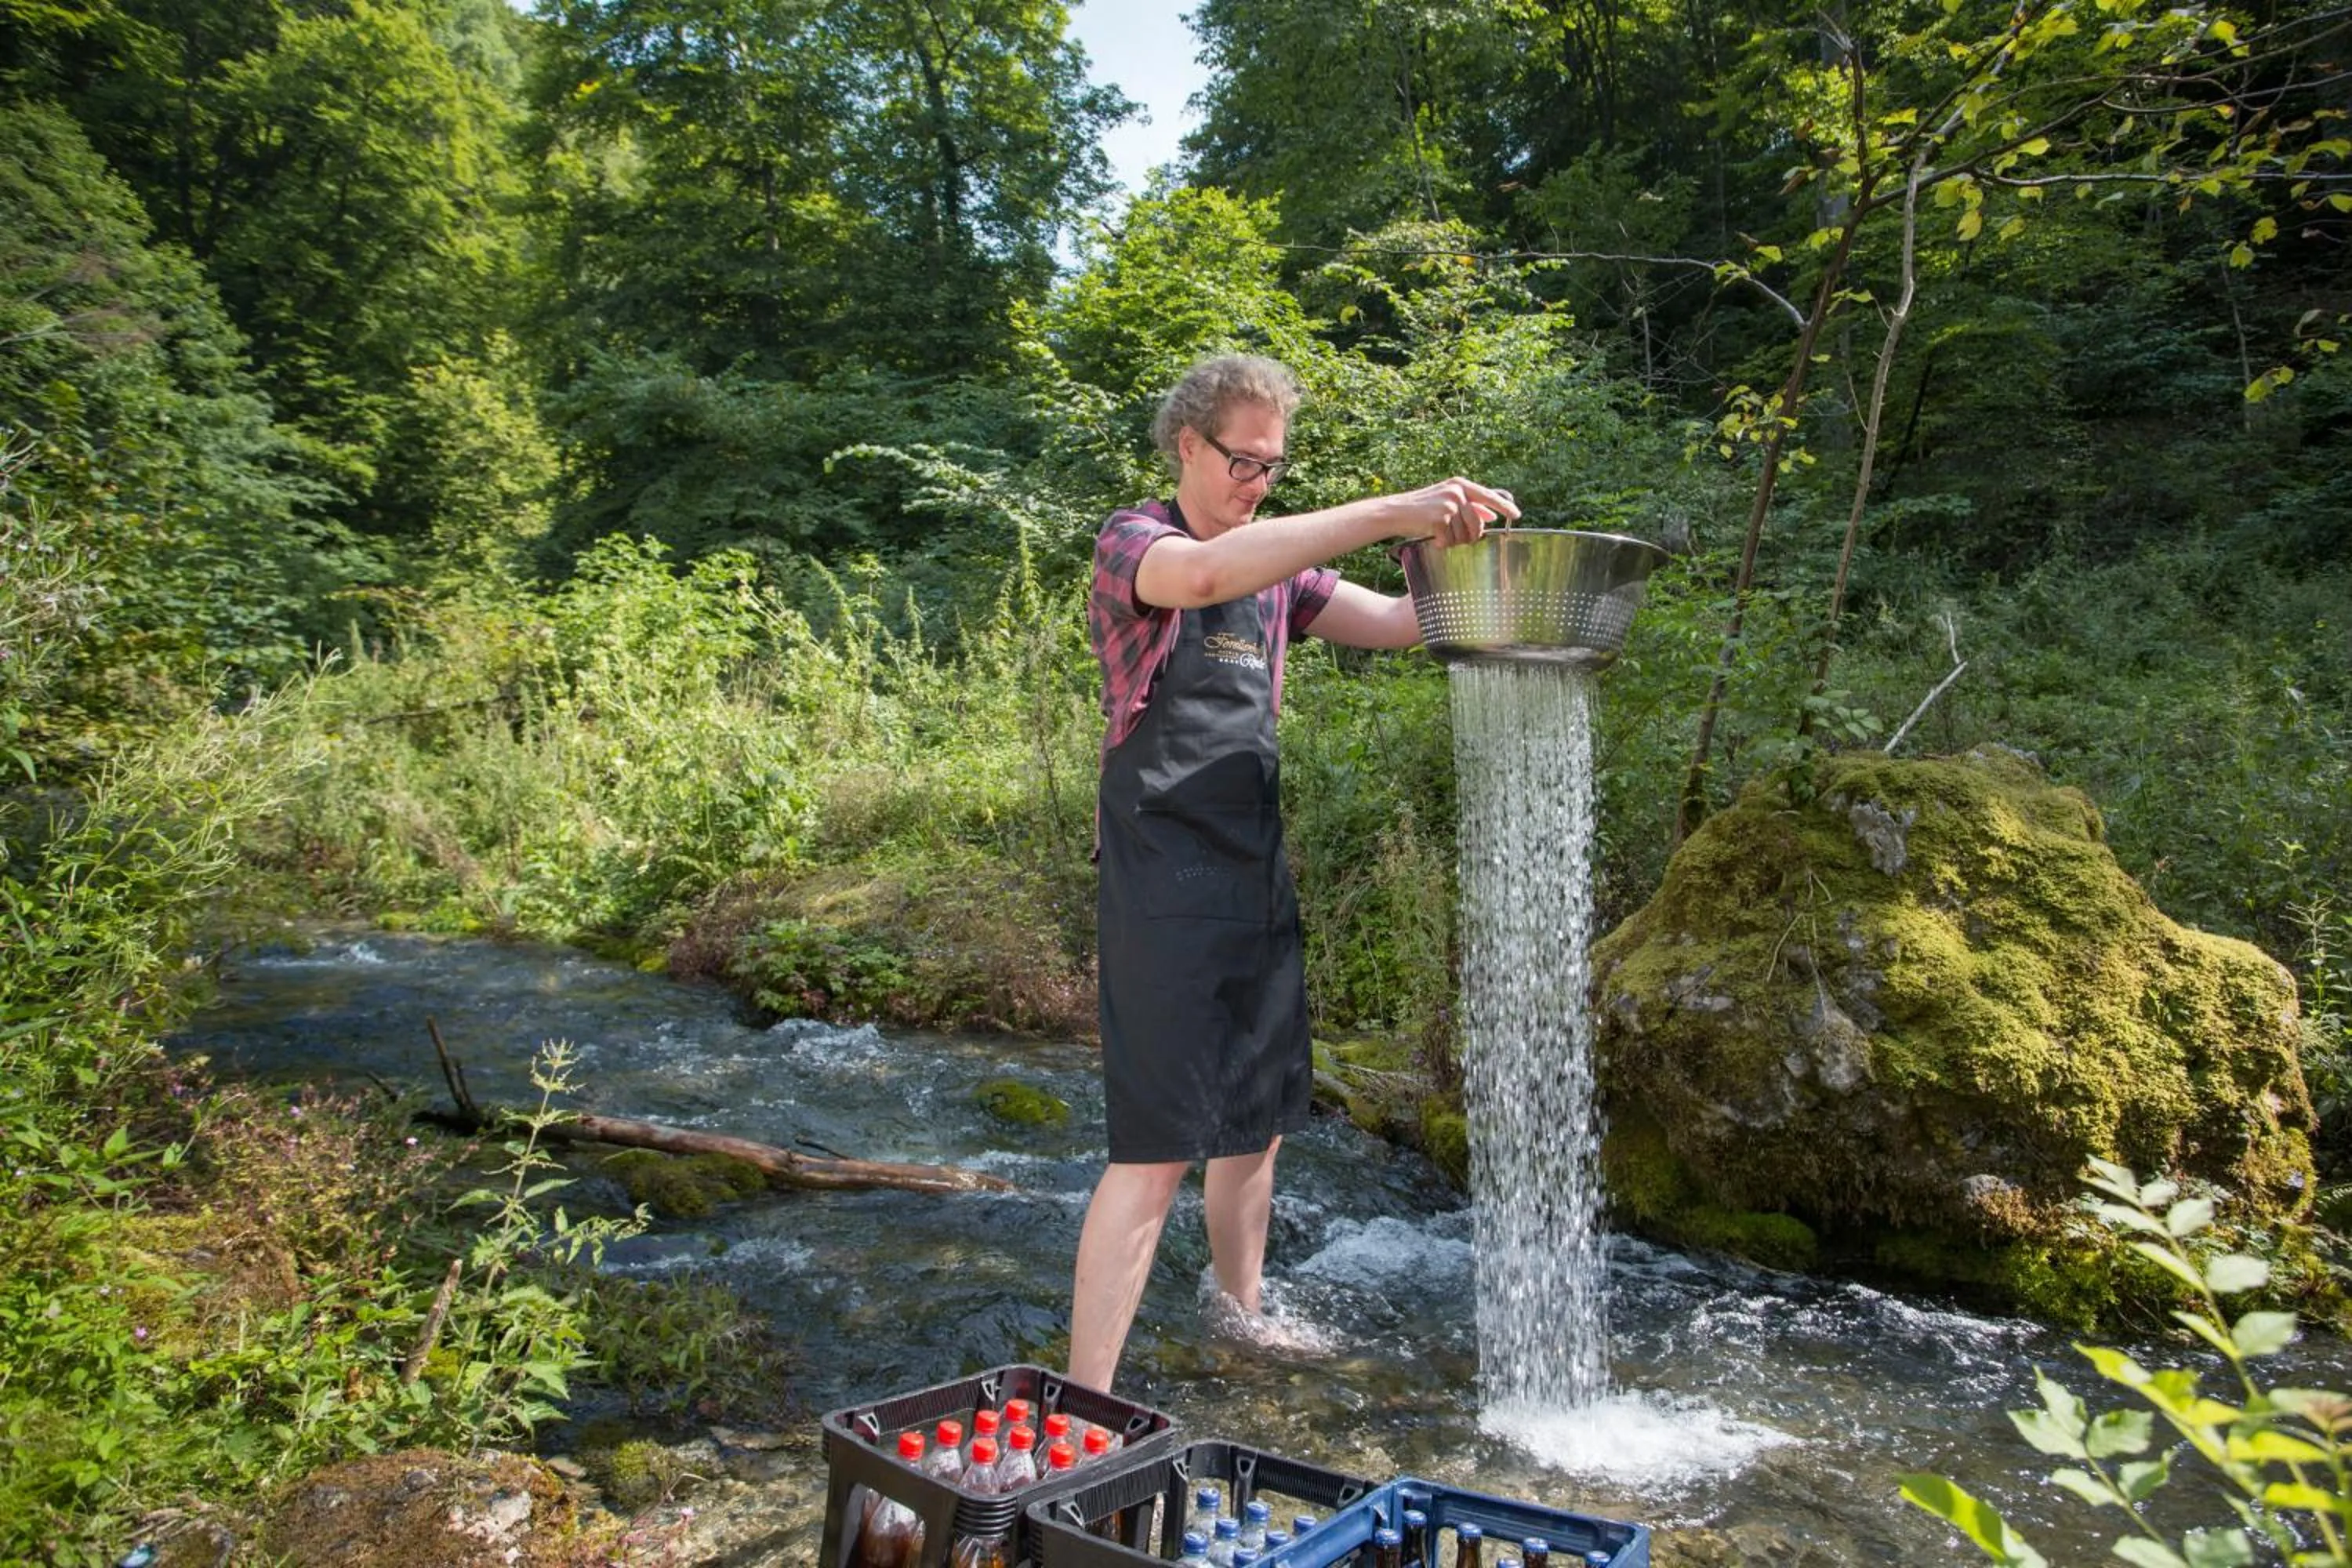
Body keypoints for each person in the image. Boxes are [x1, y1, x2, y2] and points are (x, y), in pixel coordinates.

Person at [1067, 353, 1519, 1390]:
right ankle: (1086, 1404)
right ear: (1185, 443)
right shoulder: (1136, 546)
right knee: (1154, 1152)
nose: (1256, 484)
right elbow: (1211, 575)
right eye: (1240, 461)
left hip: (1251, 873)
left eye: (1272, 468)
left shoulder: (1287, 577)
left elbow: (1404, 628)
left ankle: (1242, 1314)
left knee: (1255, 1130)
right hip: (1160, 881)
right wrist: (1390, 507)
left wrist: (1438, 552)